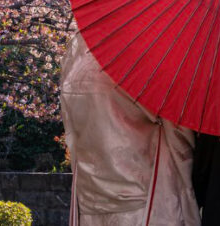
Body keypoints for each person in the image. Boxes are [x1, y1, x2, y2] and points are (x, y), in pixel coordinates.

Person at [60, 30, 200, 226]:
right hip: (142, 199)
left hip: (91, 198)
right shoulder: (140, 58)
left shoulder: (76, 63)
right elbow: (179, 135)